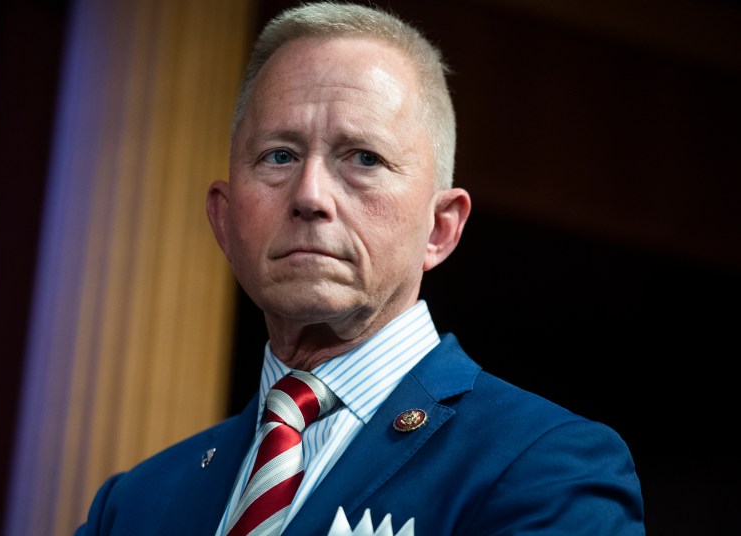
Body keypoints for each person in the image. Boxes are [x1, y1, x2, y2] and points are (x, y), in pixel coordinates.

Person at [75, 2, 645, 535]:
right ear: (224, 221)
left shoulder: (545, 465)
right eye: (280, 155)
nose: (310, 195)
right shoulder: (133, 504)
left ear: (441, 227)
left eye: (363, 158)